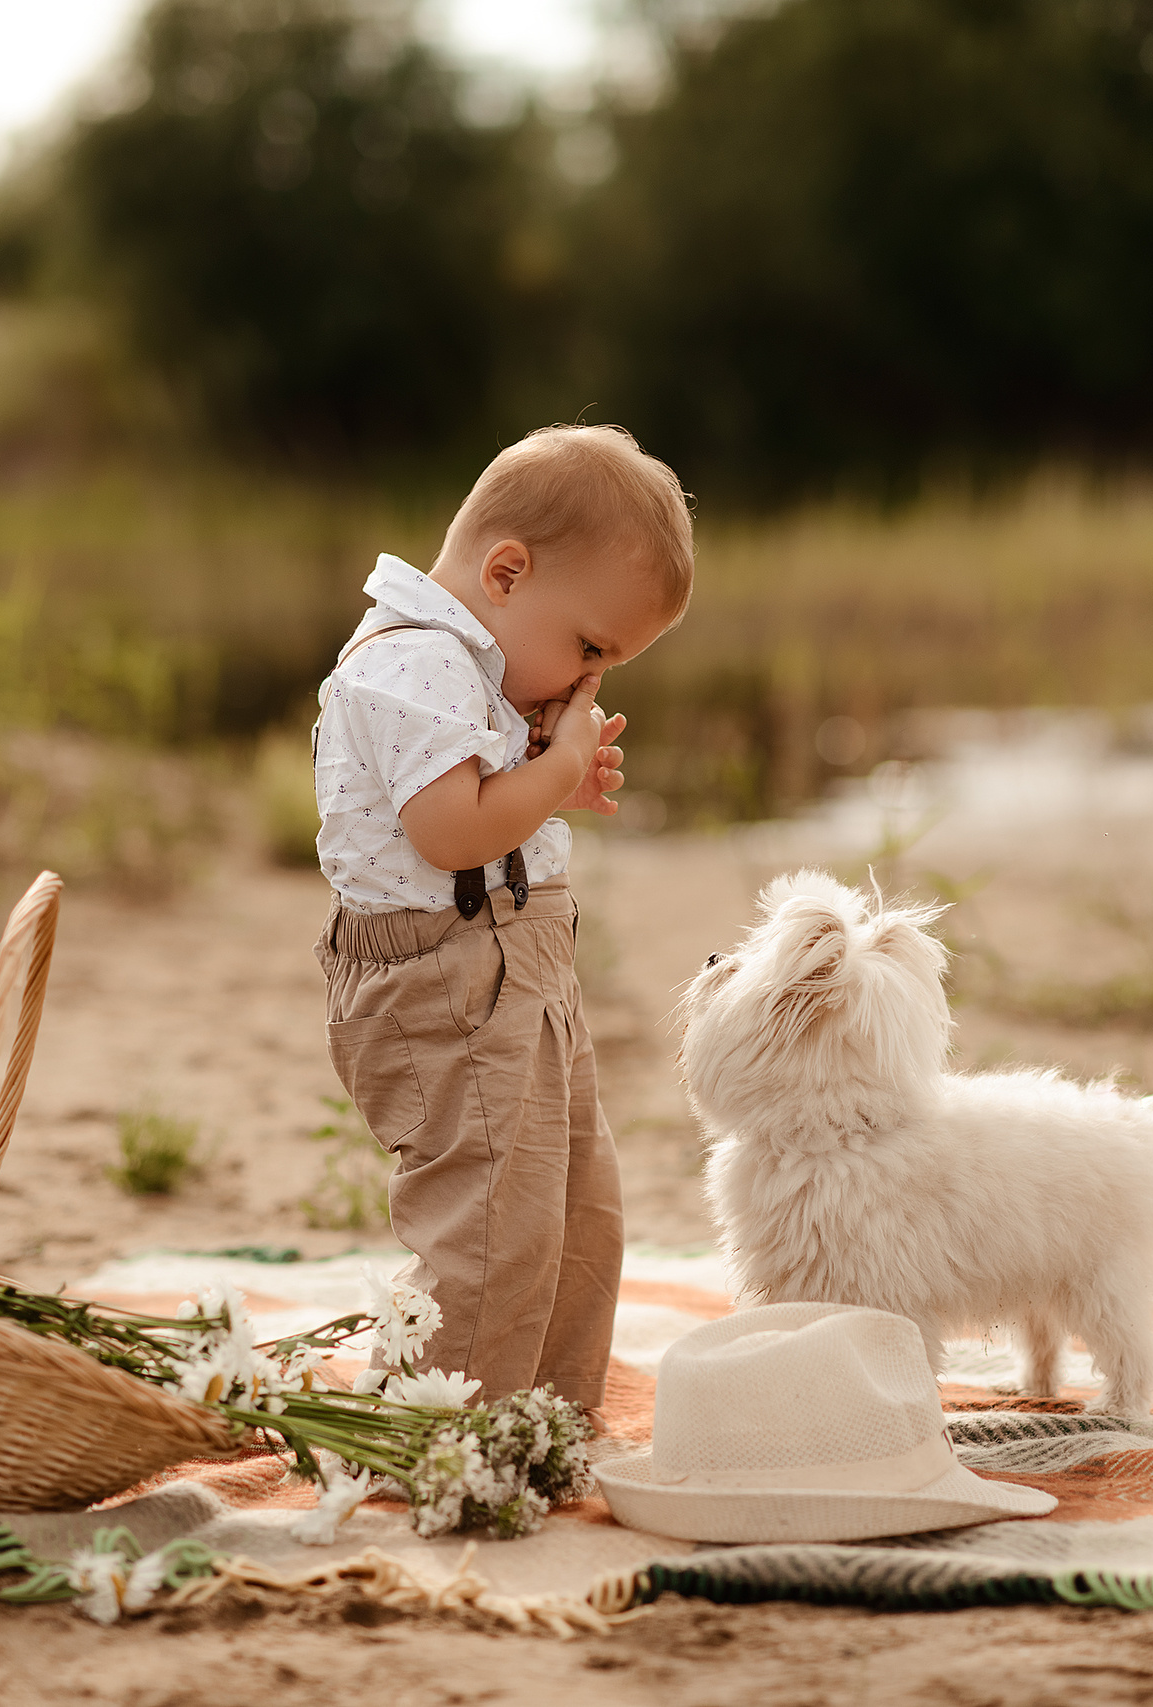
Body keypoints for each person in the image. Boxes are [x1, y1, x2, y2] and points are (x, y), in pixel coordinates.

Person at [311, 424, 694, 1419]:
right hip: (443, 978)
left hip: (516, 963)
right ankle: (435, 1434)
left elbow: (480, 807)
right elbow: (447, 831)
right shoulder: (415, 665)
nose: (582, 684)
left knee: (575, 1210)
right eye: (588, 649)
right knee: (489, 1228)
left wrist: (545, 784)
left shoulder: (469, 670)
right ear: (506, 572)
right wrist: (555, 770)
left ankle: (543, 1421)